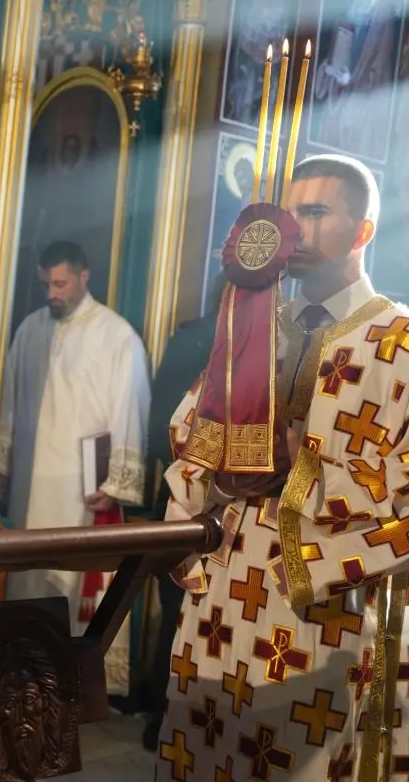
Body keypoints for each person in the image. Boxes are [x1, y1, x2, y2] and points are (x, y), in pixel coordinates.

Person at [156, 154, 409, 780]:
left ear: (364, 230)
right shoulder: (254, 329)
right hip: (226, 599)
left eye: (316, 212)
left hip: (326, 608)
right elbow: (189, 437)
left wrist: (306, 473)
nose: (294, 230)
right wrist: (220, 458)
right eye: (291, 212)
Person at [0, 241, 150, 695]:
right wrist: (3, 464)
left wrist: (118, 482)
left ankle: (65, 683)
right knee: (25, 580)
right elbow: (10, 405)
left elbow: (129, 409)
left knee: (66, 582)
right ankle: (19, 676)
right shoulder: (30, 330)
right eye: (46, 284)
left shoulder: (116, 336)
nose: (52, 294)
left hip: (79, 490)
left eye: (60, 284)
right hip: (29, 486)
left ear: (84, 277)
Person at [142, 280, 223, 751]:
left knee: (183, 612)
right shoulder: (198, 341)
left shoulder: (280, 349)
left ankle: (166, 720)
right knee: (182, 612)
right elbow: (163, 428)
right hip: (194, 505)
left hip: (187, 502)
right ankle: (169, 717)